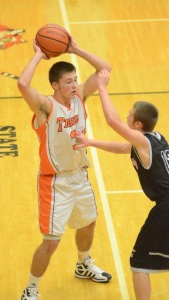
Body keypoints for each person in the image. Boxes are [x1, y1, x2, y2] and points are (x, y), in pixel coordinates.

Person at [17, 34, 112, 300]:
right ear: (55, 85)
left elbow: (105, 70)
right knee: (51, 242)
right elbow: (22, 84)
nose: (74, 84)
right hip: (54, 182)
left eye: (74, 80)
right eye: (68, 82)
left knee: (89, 224)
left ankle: (83, 264)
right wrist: (39, 54)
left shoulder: (81, 96)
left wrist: (76, 49)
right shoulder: (46, 108)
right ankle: (31, 289)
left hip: (80, 176)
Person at [75, 69, 169, 300]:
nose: (126, 118)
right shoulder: (155, 138)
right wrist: (90, 142)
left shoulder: (143, 141)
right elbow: (121, 147)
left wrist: (103, 87)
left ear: (137, 124)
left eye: (129, 116)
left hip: (166, 207)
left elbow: (112, 121)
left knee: (139, 262)